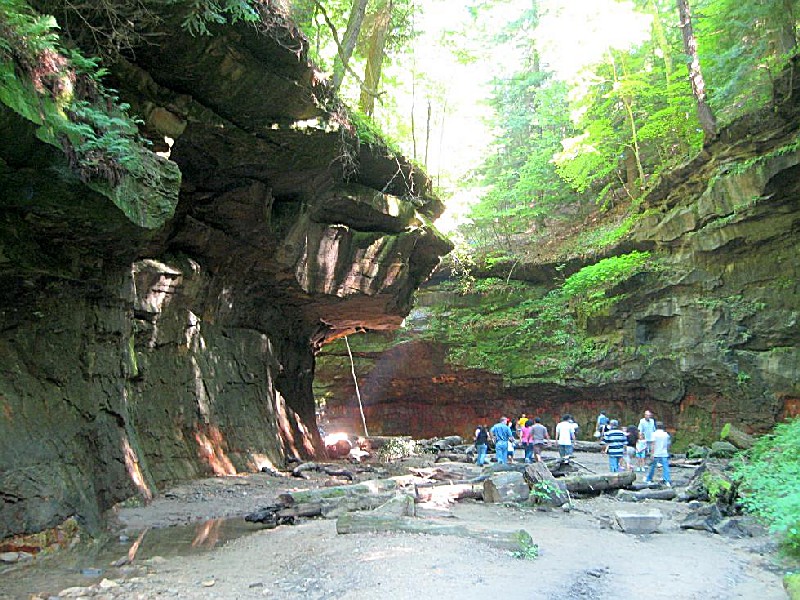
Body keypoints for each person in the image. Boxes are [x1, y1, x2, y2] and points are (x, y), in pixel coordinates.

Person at [644, 422, 672, 486]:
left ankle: (649, 478)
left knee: (653, 466)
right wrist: (667, 450)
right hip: (664, 453)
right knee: (665, 467)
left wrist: (651, 453)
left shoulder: (654, 434)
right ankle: (667, 480)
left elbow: (653, 444)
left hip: (656, 453)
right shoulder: (666, 434)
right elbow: (668, 444)